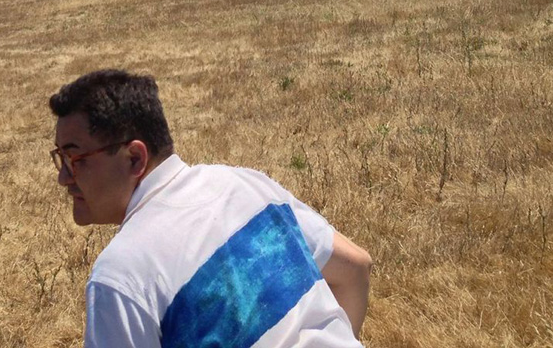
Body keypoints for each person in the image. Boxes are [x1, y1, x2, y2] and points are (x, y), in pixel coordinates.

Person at [49, 69, 373, 348]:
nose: (64, 177)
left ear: (135, 157)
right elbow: (355, 266)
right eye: (60, 158)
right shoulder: (245, 183)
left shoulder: (121, 275)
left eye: (75, 158)